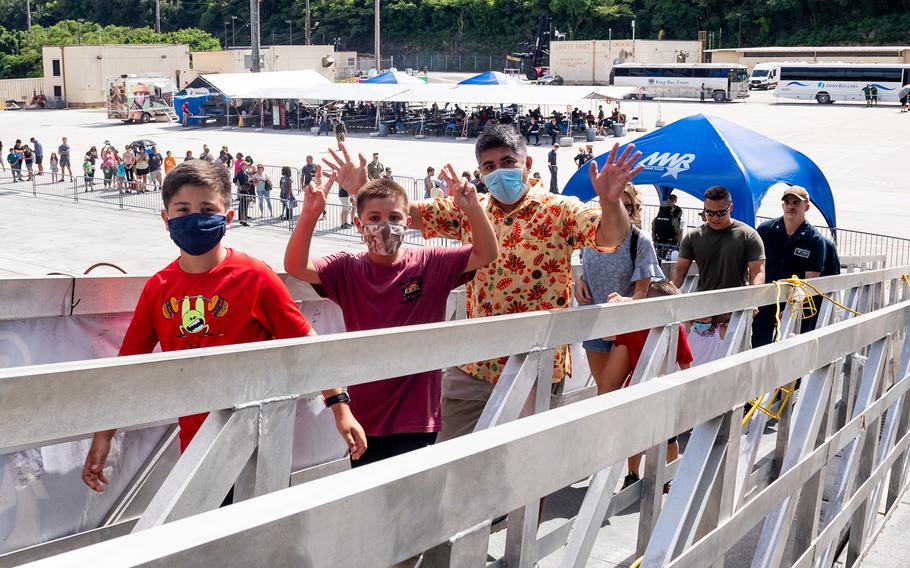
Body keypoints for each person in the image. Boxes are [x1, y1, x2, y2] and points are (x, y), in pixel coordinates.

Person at [321, 128, 642, 444]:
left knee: (527, 470)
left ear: (527, 165)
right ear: (480, 172)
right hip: (478, 362)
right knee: (445, 459)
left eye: (507, 162)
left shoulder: (560, 210)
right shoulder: (471, 208)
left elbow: (609, 237)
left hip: (537, 363)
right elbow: (402, 215)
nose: (498, 172)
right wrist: (361, 188)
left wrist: (611, 203)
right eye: (489, 167)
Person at [81, 160, 364, 494]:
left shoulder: (254, 276)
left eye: (206, 208)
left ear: (227, 218)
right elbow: (129, 367)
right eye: (182, 209)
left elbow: (307, 344)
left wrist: (339, 407)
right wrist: (104, 435)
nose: (194, 217)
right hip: (195, 449)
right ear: (166, 219)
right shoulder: (159, 288)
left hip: (256, 444)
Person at [285, 169, 497, 465]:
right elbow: (296, 265)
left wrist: (473, 209)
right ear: (359, 225)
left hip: (418, 414)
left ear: (407, 223)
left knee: (412, 499)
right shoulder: (347, 268)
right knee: (370, 499)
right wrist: (310, 214)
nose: (384, 226)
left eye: (394, 218)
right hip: (364, 416)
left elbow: (486, 254)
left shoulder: (429, 263)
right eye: (373, 218)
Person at [597, 280, 693, 490]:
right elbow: (686, 364)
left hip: (640, 390)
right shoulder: (677, 329)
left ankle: (637, 474)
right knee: (664, 437)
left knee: (645, 437)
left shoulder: (635, 327)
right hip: (663, 390)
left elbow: (606, 334)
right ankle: (661, 475)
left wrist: (617, 310)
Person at [576, 184, 663, 391]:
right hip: (594, 321)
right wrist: (579, 282)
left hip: (625, 326)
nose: (619, 211)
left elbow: (643, 291)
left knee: (609, 387)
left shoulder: (639, 240)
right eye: (613, 204)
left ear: (634, 210)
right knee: (604, 390)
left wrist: (626, 301)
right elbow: (585, 270)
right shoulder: (590, 236)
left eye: (627, 206)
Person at [752, 186, 827, 347]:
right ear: (782, 206)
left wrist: (791, 309)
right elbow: (753, 266)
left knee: (790, 352)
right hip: (765, 302)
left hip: (795, 307)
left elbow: (810, 282)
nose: (791, 206)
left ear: (806, 206)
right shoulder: (766, 230)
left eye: (796, 203)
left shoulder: (815, 241)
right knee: (758, 347)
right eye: (787, 202)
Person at [670, 186, 765, 293]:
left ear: (731, 208)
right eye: (709, 213)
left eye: (721, 213)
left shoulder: (749, 235)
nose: (715, 218)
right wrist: (670, 289)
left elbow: (757, 273)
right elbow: (679, 270)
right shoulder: (693, 236)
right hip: (703, 302)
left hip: (737, 304)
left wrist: (754, 299)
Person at [651, 193, 684, 259]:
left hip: (659, 243)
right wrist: (681, 246)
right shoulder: (673, 220)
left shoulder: (656, 219)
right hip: (671, 244)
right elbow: (678, 234)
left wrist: (654, 242)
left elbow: (653, 232)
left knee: (659, 259)